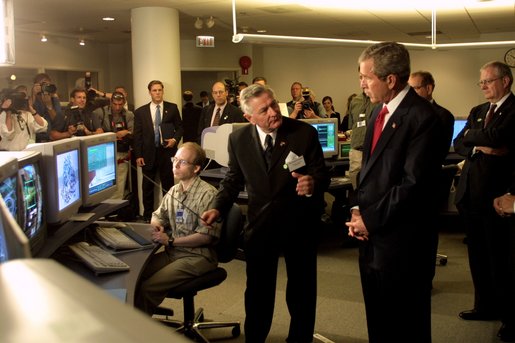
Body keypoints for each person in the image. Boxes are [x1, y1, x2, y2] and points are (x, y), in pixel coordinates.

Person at [201, 84, 329, 343]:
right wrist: (217, 207)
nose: (273, 112)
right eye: (264, 109)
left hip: (299, 223)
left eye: (274, 104)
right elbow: (233, 180)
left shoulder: (303, 133)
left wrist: (313, 182)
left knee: (302, 291)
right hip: (261, 226)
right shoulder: (238, 139)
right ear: (249, 117)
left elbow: (321, 172)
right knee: (258, 292)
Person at [345, 42, 445, 342]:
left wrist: (370, 219)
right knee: (379, 320)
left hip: (403, 242)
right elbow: (370, 171)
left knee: (406, 324)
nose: (361, 84)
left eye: (367, 77)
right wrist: (357, 209)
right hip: (374, 236)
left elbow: (412, 185)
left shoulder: (424, 117)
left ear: (391, 79)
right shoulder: (379, 111)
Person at [453, 61, 515, 342]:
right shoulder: (479, 111)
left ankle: (510, 318)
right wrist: (480, 143)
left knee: (501, 260)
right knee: (477, 257)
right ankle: (484, 306)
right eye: (481, 82)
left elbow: (497, 136)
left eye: (488, 81)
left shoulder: (514, 109)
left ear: (506, 81)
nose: (483, 86)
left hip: (498, 197)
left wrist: (474, 138)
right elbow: (459, 143)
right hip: (470, 194)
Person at [135, 142, 221, 315]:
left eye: (182, 162)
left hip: (197, 256)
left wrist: (170, 240)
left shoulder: (208, 194)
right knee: (135, 276)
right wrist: (156, 225)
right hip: (174, 253)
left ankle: (135, 334)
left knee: (148, 289)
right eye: (175, 159)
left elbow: (206, 237)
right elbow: (158, 215)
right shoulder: (175, 190)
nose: (175, 165)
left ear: (196, 168)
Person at [133, 80, 184, 222]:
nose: (157, 93)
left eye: (159, 90)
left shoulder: (172, 108)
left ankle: (168, 215)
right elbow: (137, 135)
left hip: (167, 153)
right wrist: (138, 155)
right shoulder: (140, 112)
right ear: (149, 92)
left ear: (163, 91)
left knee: (168, 186)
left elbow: (180, 127)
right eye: (154, 90)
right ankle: (147, 216)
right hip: (147, 154)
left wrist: (175, 139)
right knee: (147, 186)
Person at [93, 91, 134, 200]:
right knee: (103, 185)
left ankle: (116, 211)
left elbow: (133, 132)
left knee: (120, 185)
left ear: (124, 103)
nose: (117, 107)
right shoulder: (99, 112)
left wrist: (126, 132)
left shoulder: (128, 115)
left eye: (120, 104)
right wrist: (113, 135)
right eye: (115, 104)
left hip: (121, 154)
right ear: (110, 102)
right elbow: (95, 132)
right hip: (103, 154)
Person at [409, 70, 455, 154]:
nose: (410, 93)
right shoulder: (406, 113)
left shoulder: (444, 116)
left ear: (428, 89)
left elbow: (439, 151)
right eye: (409, 89)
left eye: (414, 88)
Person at [346, 91, 378, 189]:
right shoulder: (355, 101)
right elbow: (351, 125)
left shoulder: (379, 100)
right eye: (361, 78)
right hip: (356, 149)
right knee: (355, 185)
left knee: (372, 185)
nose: (363, 81)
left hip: (373, 150)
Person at [30, 73, 62, 143]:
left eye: (47, 85)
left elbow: (58, 121)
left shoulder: (54, 98)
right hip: (38, 140)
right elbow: (29, 112)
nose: (45, 87)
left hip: (53, 138)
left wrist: (49, 105)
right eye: (42, 85)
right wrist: (33, 94)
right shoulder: (33, 99)